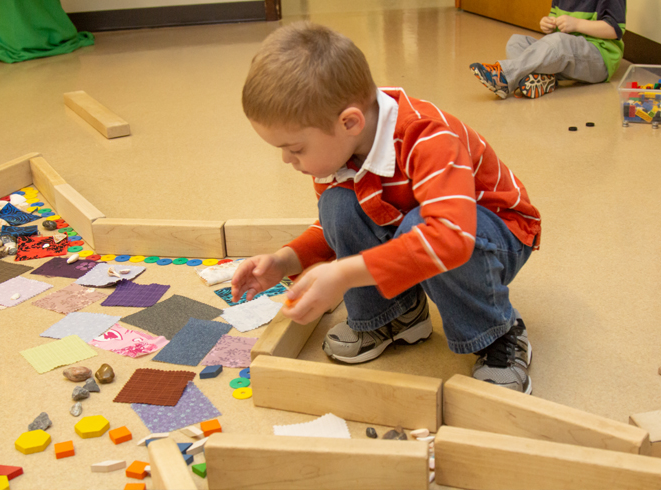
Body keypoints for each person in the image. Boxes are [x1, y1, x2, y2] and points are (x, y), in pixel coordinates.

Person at [232, 22, 541, 393]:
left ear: (349, 122)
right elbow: (334, 228)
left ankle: (497, 333)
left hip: (498, 235)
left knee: (418, 225)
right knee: (338, 204)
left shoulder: (428, 136)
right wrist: (285, 261)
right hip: (424, 229)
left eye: (295, 148)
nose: (287, 160)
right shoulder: (338, 150)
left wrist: (344, 276)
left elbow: (450, 239)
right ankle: (393, 316)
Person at [469, 0, 626, 99]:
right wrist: (547, 23)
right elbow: (554, 21)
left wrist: (577, 24)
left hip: (598, 57)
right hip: (567, 53)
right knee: (515, 42)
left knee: (558, 42)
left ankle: (505, 76)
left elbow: (614, 29)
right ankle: (542, 79)